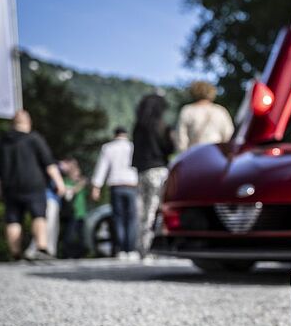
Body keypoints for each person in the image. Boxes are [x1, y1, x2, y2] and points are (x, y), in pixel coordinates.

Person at [0, 110, 65, 260]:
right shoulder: (34, 139)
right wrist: (59, 182)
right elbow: (49, 164)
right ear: (28, 122)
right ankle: (42, 248)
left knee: (13, 219)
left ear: (12, 124)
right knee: (38, 215)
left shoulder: (1, 143)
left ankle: (15, 253)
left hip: (9, 186)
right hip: (33, 185)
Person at [132, 94, 175, 256]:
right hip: (158, 170)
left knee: (142, 209)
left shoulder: (138, 127)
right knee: (155, 208)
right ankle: (152, 245)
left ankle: (141, 246)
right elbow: (169, 148)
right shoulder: (161, 126)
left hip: (142, 171)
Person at [91, 127, 139, 259]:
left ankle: (121, 249)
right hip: (132, 185)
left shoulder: (108, 148)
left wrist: (96, 186)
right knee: (132, 219)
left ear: (115, 135)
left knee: (118, 219)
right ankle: (131, 249)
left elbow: (102, 167)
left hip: (116, 186)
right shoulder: (132, 147)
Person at [175, 81, 234, 152]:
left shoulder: (187, 110)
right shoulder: (220, 110)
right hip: (215, 152)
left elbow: (181, 137)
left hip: (194, 153)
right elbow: (228, 133)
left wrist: (183, 152)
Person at [60, 158, 88, 258]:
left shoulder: (81, 182)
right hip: (71, 214)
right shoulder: (66, 181)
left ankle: (80, 254)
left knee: (81, 236)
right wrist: (80, 184)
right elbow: (72, 192)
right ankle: (67, 254)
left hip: (81, 213)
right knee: (69, 236)